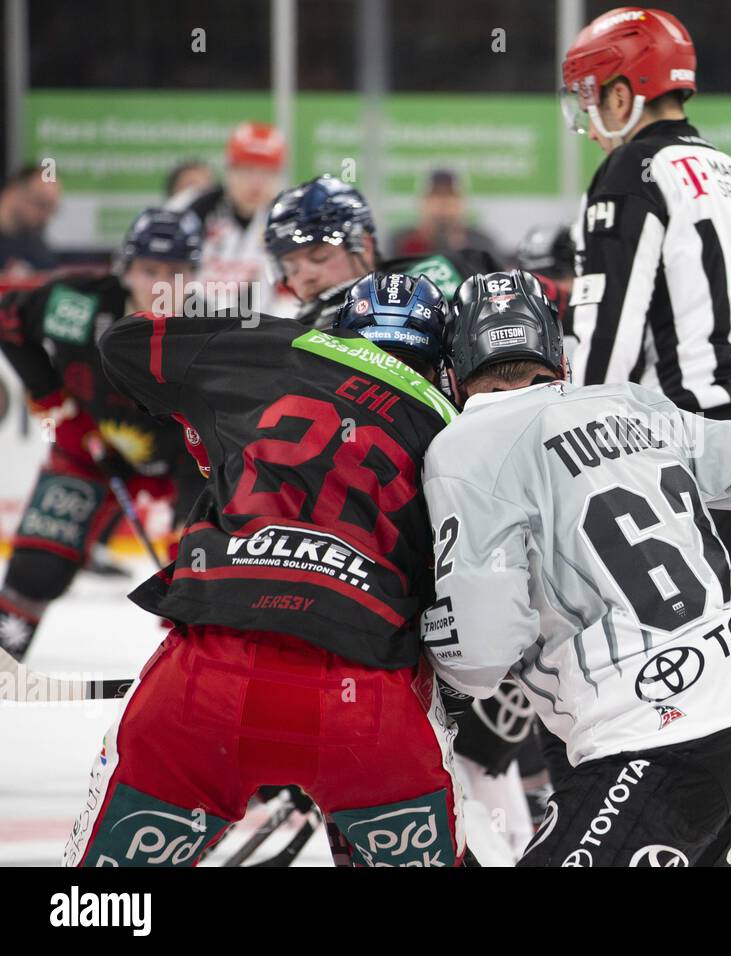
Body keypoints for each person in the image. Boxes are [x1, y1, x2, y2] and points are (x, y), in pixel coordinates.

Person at [422, 269, 731, 866]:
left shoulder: (463, 447)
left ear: (452, 377)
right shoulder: (631, 403)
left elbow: (483, 652)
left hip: (657, 740)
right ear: (560, 364)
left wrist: (426, 657)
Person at [65, 273, 466, 867]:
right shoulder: (454, 431)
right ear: (443, 365)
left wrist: (206, 427)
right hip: (369, 704)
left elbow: (122, 344)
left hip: (205, 681)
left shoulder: (278, 344)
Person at [560, 6, 731, 864]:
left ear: (622, 87)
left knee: (699, 711)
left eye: (590, 94)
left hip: (699, 474)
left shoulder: (630, 178)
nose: (585, 116)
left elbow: (602, 356)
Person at [0, 208, 207, 660]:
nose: (160, 285)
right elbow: (8, 318)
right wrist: (54, 401)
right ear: (124, 268)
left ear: (194, 276)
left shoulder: (209, 333)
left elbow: (219, 439)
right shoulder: (79, 305)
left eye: (175, 272)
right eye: (149, 270)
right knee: (38, 567)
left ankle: (191, 680)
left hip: (183, 465)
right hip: (88, 450)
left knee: (199, 582)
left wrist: (189, 538)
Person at [265, 175, 501, 330]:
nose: (305, 276)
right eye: (291, 266)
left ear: (364, 247)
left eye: (320, 257)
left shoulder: (435, 278)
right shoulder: (292, 332)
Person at [168, 122, 287, 313]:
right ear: (229, 169)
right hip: (188, 325)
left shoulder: (285, 219)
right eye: (247, 170)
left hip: (256, 330)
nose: (256, 183)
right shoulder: (191, 209)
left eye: (267, 173)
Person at [390, 168, 502, 264]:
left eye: (450, 196)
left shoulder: (481, 245)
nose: (443, 203)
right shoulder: (402, 243)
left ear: (462, 202)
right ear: (422, 202)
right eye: (436, 195)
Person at [0, 164, 61, 275]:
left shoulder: (36, 247)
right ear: (14, 192)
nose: (45, 216)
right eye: (41, 204)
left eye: (52, 208)